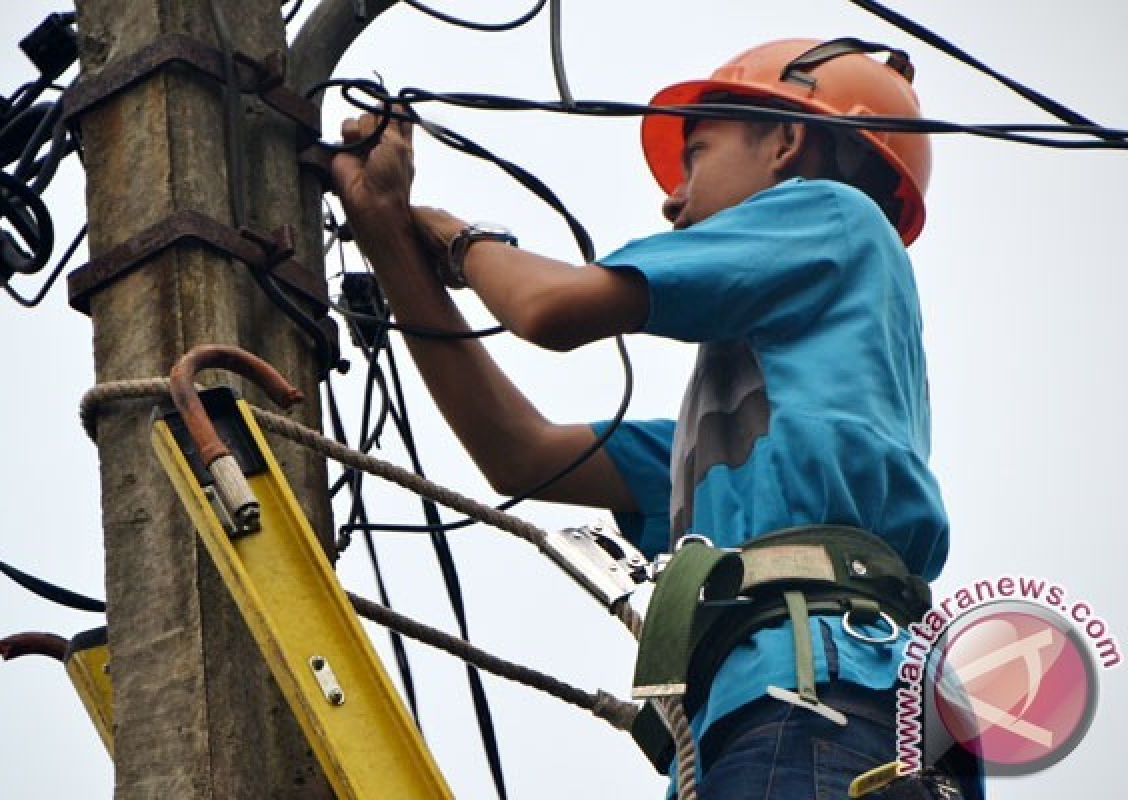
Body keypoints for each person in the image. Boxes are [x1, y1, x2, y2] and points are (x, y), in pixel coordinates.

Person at [330, 37, 976, 800]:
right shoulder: (734, 458)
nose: (672, 200)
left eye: (695, 153)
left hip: (816, 697)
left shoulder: (833, 215)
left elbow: (551, 308)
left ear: (787, 142)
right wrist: (383, 225)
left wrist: (462, 242)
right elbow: (521, 454)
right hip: (781, 711)